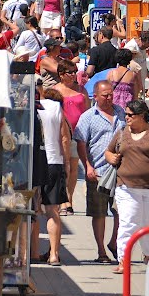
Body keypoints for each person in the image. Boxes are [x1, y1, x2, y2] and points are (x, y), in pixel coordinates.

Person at [105, 99, 149, 274]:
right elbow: (109, 151)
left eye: (130, 115)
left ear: (142, 116)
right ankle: (123, 260)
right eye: (126, 114)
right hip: (126, 187)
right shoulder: (122, 133)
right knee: (129, 222)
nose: (126, 118)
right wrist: (110, 158)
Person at [74, 81, 125, 263]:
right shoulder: (88, 117)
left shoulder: (121, 112)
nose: (109, 97)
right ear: (95, 96)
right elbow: (81, 143)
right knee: (99, 212)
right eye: (105, 95)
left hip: (121, 171)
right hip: (99, 171)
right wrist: (87, 166)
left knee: (122, 211)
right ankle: (101, 251)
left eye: (111, 94)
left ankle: (114, 243)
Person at [35, 86, 71, 267]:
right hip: (53, 161)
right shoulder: (57, 107)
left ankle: (32, 253)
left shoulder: (32, 105)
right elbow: (64, 138)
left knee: (32, 211)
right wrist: (67, 163)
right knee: (52, 210)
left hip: (32, 161)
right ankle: (54, 255)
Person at [55, 58, 89, 217]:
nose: (74, 75)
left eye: (75, 71)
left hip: (78, 133)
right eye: (71, 72)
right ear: (61, 74)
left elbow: (88, 111)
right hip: (60, 135)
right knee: (63, 168)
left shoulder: (82, 90)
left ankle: (69, 199)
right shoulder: (55, 90)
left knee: (74, 168)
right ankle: (62, 200)